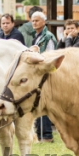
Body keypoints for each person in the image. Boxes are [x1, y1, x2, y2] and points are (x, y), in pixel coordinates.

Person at [29, 11, 57, 142]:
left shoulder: (48, 37)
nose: (34, 23)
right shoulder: (37, 36)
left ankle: (46, 135)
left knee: (44, 103)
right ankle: (40, 134)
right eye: (33, 20)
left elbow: (49, 55)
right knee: (38, 103)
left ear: (44, 22)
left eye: (37, 20)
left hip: (45, 73)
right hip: (38, 73)